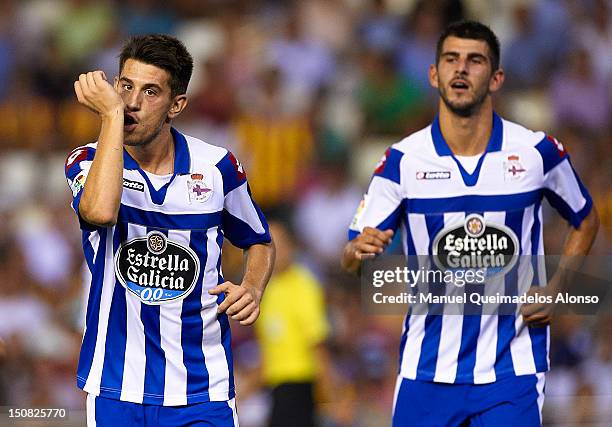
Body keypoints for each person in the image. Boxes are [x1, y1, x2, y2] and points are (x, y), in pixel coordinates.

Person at [341, 21, 599, 426]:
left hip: (510, 370)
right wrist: (358, 251)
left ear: (496, 78)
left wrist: (557, 288)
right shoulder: (401, 162)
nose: (461, 69)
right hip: (425, 369)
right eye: (451, 59)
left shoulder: (536, 153)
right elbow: (353, 256)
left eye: (475, 60)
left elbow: (585, 218)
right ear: (433, 74)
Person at [65, 34, 275, 427]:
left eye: (150, 92)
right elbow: (99, 211)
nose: (131, 103)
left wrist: (252, 286)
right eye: (125, 87)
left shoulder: (217, 170)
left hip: (202, 389)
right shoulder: (86, 160)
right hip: (116, 387)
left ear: (176, 105)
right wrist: (111, 120)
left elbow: (258, 240)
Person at [254, 219, 330, 427]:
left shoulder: (303, 286)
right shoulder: (267, 288)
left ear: (291, 247)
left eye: (279, 245)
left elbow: (317, 344)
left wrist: (327, 395)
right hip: (276, 387)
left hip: (299, 384)